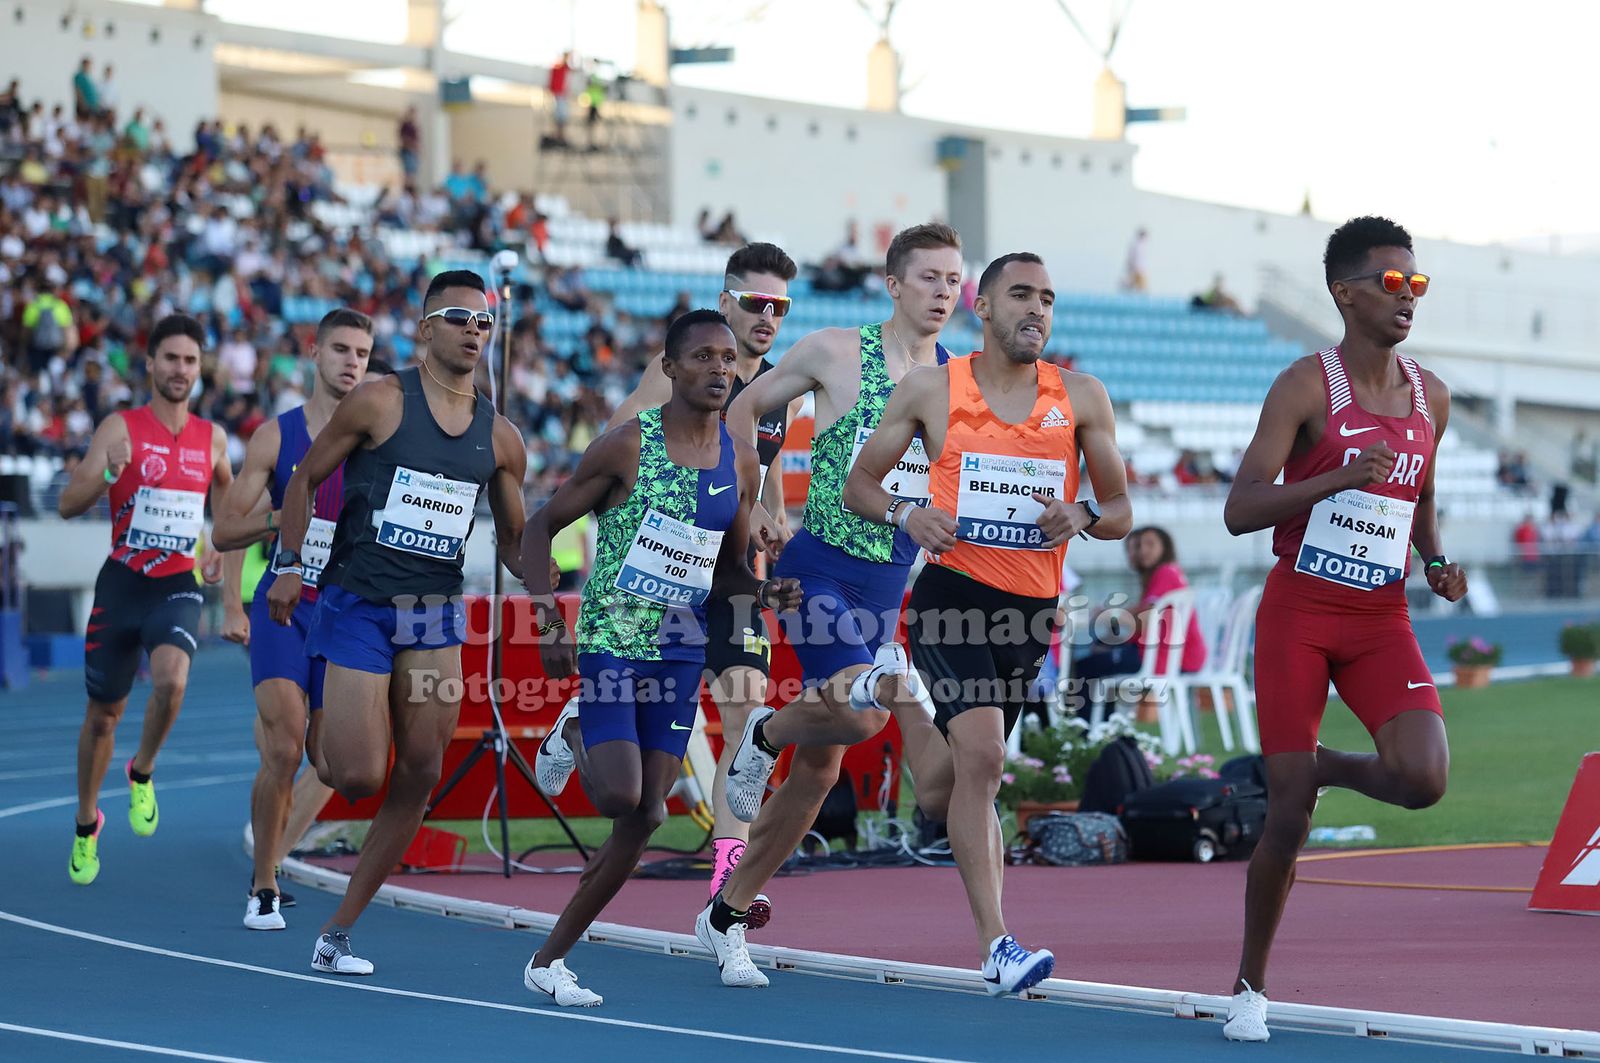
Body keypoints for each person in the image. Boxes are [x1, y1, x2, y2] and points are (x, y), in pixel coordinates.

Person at [844, 251, 1132, 994]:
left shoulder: (1083, 396)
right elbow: (859, 484)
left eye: (1048, 298)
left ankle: (900, 698)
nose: (1036, 309)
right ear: (984, 307)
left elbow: (1120, 509)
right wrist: (911, 513)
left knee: (950, 785)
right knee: (985, 758)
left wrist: (1084, 513)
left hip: (1029, 613)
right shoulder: (932, 389)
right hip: (952, 597)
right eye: (1021, 295)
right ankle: (996, 944)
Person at [1219, 216, 1467, 1041]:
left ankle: (1322, 764)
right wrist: (1329, 480)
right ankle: (1250, 987)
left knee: (1425, 776)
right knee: (1287, 813)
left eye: (1417, 282)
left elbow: (1420, 493)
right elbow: (1239, 509)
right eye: (1393, 283)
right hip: (1301, 610)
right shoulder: (1303, 385)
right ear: (1346, 293)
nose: (1409, 297)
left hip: (1380, 614)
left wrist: (1435, 558)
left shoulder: (1432, 394)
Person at [697, 223, 965, 988]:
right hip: (819, 571)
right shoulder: (833, 350)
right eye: (928, 278)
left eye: (953, 280)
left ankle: (727, 911)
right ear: (892, 282)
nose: (943, 293)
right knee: (860, 712)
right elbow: (745, 412)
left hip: (887, 587)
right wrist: (756, 498)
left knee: (819, 774)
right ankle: (762, 734)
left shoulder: (958, 379)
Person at [518, 310, 802, 1006]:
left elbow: (729, 571)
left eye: (727, 359)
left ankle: (548, 960)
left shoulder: (738, 458)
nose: (718, 369)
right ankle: (579, 725)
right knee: (619, 795)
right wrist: (547, 617)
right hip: (614, 637)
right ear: (670, 369)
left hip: (677, 647)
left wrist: (766, 588)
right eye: (702, 357)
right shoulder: (627, 447)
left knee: (646, 816)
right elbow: (539, 526)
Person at [268, 270, 528, 975]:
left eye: (484, 322)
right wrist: (289, 562)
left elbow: (514, 541)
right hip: (358, 605)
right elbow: (300, 479)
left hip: (433, 615)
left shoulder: (499, 436)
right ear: (424, 328)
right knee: (354, 775)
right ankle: (327, 711)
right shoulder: (379, 402)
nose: (474, 331)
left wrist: (545, 588)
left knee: (420, 769)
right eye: (458, 317)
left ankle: (339, 931)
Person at [600, 243, 802, 921]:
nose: (767, 316)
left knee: (745, 715)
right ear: (726, 302)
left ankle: (725, 885)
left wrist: (770, 517)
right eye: (755, 303)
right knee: (643, 719)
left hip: (733, 579)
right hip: (661, 575)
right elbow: (613, 446)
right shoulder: (681, 376)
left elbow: (762, 478)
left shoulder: (780, 389)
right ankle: (579, 720)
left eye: (780, 306)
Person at [57, 313, 234, 886]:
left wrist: (219, 553)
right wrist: (105, 474)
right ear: (152, 364)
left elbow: (229, 505)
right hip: (123, 583)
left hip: (177, 583)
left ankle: (143, 770)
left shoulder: (214, 439)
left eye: (189, 361)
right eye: (171, 359)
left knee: (172, 681)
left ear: (198, 370)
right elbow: (68, 502)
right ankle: (87, 823)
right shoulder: (121, 428)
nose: (180, 370)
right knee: (103, 716)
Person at [214, 309, 376, 931]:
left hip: (343, 615)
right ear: (314, 353)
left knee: (333, 766)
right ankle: (263, 883)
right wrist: (284, 518)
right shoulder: (275, 437)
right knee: (283, 747)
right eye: (340, 349)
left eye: (361, 353)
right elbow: (227, 529)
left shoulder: (374, 438)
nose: (351, 362)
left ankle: (273, 851)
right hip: (282, 607)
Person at [1073, 526, 1207, 706]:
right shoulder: (1167, 575)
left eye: (1149, 544)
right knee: (1100, 654)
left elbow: (1147, 621)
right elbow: (1146, 616)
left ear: (1164, 547)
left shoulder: (1165, 573)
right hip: (1176, 656)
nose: (1142, 550)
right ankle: (1106, 729)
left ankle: (1088, 730)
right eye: (1135, 546)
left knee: (1085, 666)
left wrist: (1111, 615)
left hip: (1165, 658)